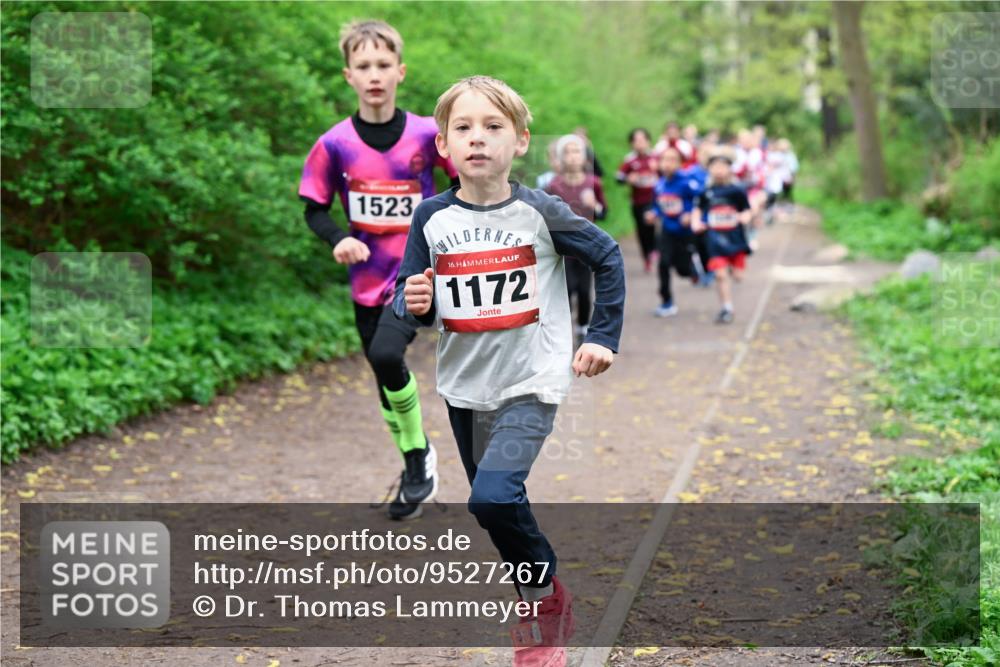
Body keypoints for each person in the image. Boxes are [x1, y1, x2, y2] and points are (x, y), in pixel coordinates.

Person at [394, 75, 625, 667]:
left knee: (492, 499)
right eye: (463, 128)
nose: (478, 139)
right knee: (496, 503)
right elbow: (410, 293)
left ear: (520, 140)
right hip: (465, 387)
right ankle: (537, 591)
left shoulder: (540, 212)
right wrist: (412, 301)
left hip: (531, 381)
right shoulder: (430, 218)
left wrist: (602, 337)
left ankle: (544, 605)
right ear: (444, 146)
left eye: (493, 127)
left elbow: (607, 254)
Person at [298, 20, 457, 520]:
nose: (374, 75)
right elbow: (314, 208)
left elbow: (464, 187)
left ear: (400, 72)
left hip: (419, 273)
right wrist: (340, 237)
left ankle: (416, 463)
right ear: (349, 75)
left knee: (389, 353)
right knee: (385, 374)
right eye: (364, 66)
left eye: (383, 65)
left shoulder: (429, 136)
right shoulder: (335, 144)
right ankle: (419, 460)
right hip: (365, 280)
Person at [545, 134, 608, 341]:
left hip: (588, 247)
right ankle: (563, 326)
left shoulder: (593, 183)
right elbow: (545, 217)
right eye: (568, 152)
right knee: (568, 288)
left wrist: (594, 205)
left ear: (584, 156)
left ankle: (582, 326)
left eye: (576, 151)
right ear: (561, 157)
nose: (572, 156)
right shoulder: (553, 185)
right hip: (563, 248)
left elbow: (604, 213)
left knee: (584, 290)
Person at [691, 153, 752, 324]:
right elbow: (697, 210)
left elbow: (747, 209)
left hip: (735, 240)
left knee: (738, 277)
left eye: (722, 166)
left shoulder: (737, 191)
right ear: (709, 169)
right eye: (715, 166)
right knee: (720, 275)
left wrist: (744, 217)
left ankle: (734, 268)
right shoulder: (706, 192)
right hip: (715, 241)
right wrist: (696, 223)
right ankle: (727, 308)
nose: (718, 170)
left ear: (729, 169)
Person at [645, 146, 702, 317]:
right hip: (667, 231)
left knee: (682, 269)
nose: (667, 164)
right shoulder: (660, 184)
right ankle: (666, 302)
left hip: (684, 232)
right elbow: (658, 206)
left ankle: (692, 268)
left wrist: (690, 213)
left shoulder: (687, 182)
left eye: (672, 160)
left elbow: (701, 200)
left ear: (679, 163)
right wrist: (653, 214)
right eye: (664, 160)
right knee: (663, 264)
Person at [615, 128, 659, 273]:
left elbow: (667, 173)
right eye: (636, 141)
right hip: (638, 201)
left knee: (651, 224)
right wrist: (628, 178)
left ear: (648, 141)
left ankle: (653, 251)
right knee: (641, 230)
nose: (640, 143)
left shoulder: (656, 157)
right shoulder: (630, 160)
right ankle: (646, 256)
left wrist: (659, 174)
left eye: (642, 140)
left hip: (654, 199)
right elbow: (618, 177)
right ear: (632, 144)